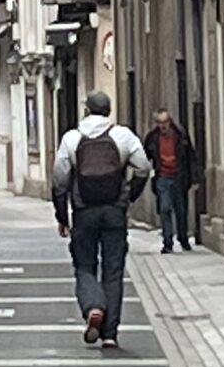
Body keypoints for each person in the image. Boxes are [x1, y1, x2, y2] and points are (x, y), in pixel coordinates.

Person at [52, 90, 151, 349]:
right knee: (113, 270)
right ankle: (110, 334)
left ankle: (93, 306)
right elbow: (143, 167)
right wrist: (129, 195)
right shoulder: (123, 135)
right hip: (114, 211)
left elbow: (59, 179)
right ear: (108, 111)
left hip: (84, 211)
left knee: (84, 266)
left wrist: (62, 216)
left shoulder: (72, 138)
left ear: (86, 110)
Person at [142, 109, 200, 252]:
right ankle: (167, 242)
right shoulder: (152, 138)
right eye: (159, 122)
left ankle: (183, 238)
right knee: (165, 208)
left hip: (179, 176)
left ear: (170, 121)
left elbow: (190, 157)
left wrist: (194, 177)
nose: (163, 126)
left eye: (165, 122)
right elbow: (145, 156)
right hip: (162, 176)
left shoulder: (180, 136)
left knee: (181, 210)